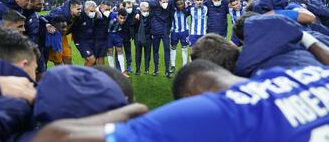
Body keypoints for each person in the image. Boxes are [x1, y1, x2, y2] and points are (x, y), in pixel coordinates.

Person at [32, 60, 329, 142]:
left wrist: (135, 108)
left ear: (192, 96)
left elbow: (54, 137)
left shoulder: (213, 112)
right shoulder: (312, 74)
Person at [41, 0, 82, 65]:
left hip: (63, 36)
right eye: (78, 9)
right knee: (58, 59)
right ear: (71, 8)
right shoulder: (58, 12)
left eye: (80, 9)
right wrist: (48, 24)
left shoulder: (76, 15)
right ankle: (60, 73)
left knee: (68, 57)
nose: (80, 11)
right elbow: (42, 17)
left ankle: (69, 74)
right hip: (54, 36)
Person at [148, 0, 172, 77]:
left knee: (167, 50)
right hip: (156, 32)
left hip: (165, 32)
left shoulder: (169, 6)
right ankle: (156, 70)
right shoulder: (154, 6)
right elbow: (147, 3)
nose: (165, 3)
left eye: (166, 1)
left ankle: (167, 70)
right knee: (155, 51)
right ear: (159, 1)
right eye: (163, 2)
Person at [72, 0, 97, 67]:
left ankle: (88, 75)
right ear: (85, 10)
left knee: (93, 61)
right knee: (91, 59)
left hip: (91, 41)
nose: (93, 13)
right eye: (91, 11)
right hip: (81, 41)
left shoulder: (94, 16)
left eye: (94, 11)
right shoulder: (79, 16)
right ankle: (83, 76)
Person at [169, 0, 189, 73]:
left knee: (184, 48)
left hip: (184, 31)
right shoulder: (172, 10)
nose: (180, 5)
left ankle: (184, 66)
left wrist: (188, 3)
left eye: (182, 3)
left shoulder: (187, 9)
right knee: (173, 47)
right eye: (178, 4)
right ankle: (173, 66)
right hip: (175, 32)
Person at [107, 8, 128, 77]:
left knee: (120, 50)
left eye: (124, 18)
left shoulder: (125, 17)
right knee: (110, 51)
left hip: (117, 34)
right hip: (108, 34)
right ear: (117, 16)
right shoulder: (111, 15)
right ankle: (112, 71)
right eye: (121, 18)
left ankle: (123, 71)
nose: (122, 20)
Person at [133, 2, 151, 75]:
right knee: (138, 54)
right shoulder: (137, 15)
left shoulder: (150, 15)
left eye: (147, 10)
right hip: (138, 36)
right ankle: (138, 69)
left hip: (148, 36)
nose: (146, 12)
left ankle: (146, 69)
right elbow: (133, 24)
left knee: (147, 54)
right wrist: (136, 16)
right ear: (140, 10)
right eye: (144, 11)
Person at [119, 1, 136, 72]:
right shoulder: (119, 13)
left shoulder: (132, 14)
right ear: (124, 7)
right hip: (119, 35)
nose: (130, 9)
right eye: (128, 7)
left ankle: (129, 66)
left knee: (128, 51)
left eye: (131, 7)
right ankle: (119, 66)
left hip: (128, 36)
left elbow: (136, 10)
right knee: (119, 52)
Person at [94, 1, 112, 65]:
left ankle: (101, 72)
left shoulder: (108, 15)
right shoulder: (95, 14)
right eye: (106, 9)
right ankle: (94, 72)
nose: (108, 11)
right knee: (94, 57)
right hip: (95, 39)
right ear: (101, 7)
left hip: (104, 39)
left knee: (102, 56)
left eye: (109, 9)